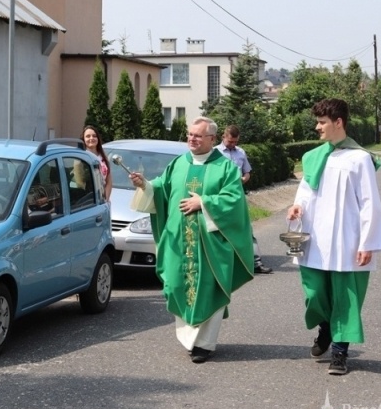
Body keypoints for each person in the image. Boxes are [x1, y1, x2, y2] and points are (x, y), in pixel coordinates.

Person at [128, 117, 254, 364]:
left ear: (212, 139)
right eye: (189, 134)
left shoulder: (226, 168)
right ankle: (189, 337)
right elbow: (162, 189)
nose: (192, 139)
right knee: (177, 285)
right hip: (179, 241)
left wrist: (203, 202)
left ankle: (204, 344)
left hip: (211, 244)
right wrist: (145, 185)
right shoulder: (178, 164)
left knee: (209, 288)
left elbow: (234, 201)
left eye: (198, 135)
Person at [287, 99, 381, 376]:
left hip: (346, 239)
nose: (317, 127)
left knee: (346, 296)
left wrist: (368, 242)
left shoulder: (359, 158)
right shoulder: (314, 157)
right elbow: (305, 193)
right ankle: (327, 326)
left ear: (338, 122)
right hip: (315, 238)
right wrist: (297, 207)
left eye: (322, 122)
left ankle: (340, 353)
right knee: (315, 292)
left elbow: (370, 202)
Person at [216, 124, 273, 274]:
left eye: (235, 142)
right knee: (220, 229)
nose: (233, 145)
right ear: (223, 137)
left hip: (238, 195)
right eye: (230, 142)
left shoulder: (240, 152)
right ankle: (224, 265)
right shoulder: (214, 153)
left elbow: (247, 172)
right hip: (219, 197)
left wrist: (244, 179)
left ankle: (256, 263)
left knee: (245, 227)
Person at [80, 125, 112, 201]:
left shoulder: (103, 157)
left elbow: (109, 181)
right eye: (88, 136)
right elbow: (80, 184)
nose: (91, 138)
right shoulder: (81, 158)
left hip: (102, 200)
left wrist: (106, 199)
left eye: (94, 136)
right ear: (83, 140)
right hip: (89, 200)